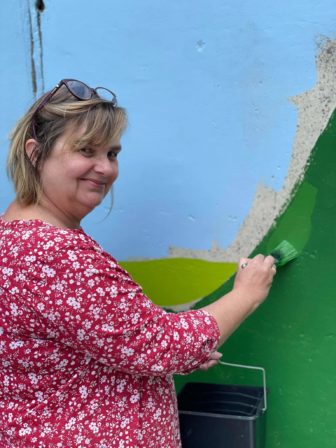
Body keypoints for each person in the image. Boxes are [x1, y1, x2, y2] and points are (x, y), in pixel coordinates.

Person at [0, 79, 276, 448]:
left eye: (112, 153)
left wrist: (160, 357)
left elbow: (95, 342)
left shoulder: (17, 236)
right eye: (87, 150)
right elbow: (163, 345)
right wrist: (247, 294)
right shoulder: (53, 254)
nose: (105, 168)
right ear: (35, 154)